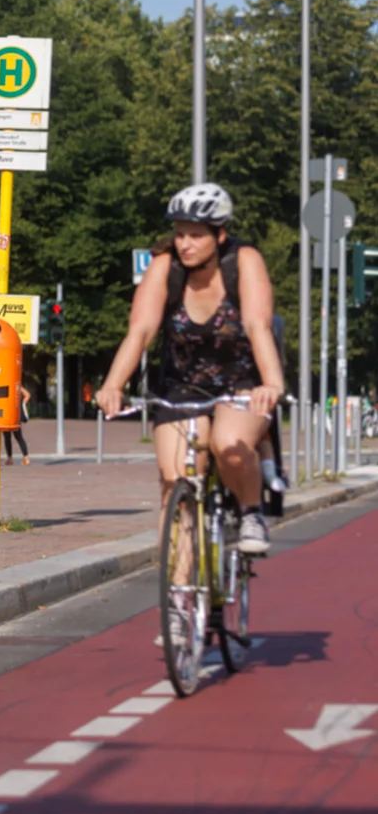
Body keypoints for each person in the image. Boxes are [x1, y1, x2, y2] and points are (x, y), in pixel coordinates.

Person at [96, 183, 284, 555]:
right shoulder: (165, 268)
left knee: (228, 446)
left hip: (241, 383)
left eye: (196, 235)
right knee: (177, 480)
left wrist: (272, 384)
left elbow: (258, 326)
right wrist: (113, 384)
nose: (185, 243)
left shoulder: (243, 262)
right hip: (181, 387)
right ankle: (182, 602)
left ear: (220, 235)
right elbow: (141, 330)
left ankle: (250, 513)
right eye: (180, 234)